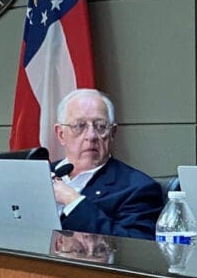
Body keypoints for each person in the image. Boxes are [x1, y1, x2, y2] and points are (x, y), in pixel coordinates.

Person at [51, 88, 163, 239]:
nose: (91, 136)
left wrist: (73, 201)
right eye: (79, 126)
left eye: (101, 126)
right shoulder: (39, 176)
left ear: (113, 133)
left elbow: (135, 250)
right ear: (61, 134)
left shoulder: (138, 188)